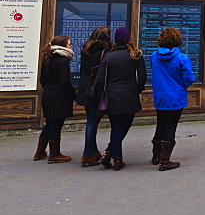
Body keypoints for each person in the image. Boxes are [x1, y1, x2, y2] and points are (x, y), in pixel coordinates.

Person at [95, 26, 146, 171]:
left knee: (116, 127)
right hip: (130, 94)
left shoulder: (109, 56)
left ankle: (112, 155)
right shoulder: (135, 55)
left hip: (112, 95)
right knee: (125, 125)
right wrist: (137, 89)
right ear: (128, 39)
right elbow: (142, 77)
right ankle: (115, 157)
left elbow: (100, 79)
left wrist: (102, 94)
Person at [150, 26, 195, 171]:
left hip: (160, 97)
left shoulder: (154, 57)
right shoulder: (182, 58)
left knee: (160, 124)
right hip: (176, 97)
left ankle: (156, 155)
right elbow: (188, 78)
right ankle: (165, 160)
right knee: (171, 126)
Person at [34, 34, 76, 163]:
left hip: (48, 94)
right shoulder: (63, 60)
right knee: (56, 124)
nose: (71, 46)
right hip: (59, 97)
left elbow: (42, 79)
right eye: (69, 44)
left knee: (50, 123)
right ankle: (54, 155)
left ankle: (39, 152)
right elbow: (64, 81)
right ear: (63, 46)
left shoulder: (48, 58)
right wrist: (73, 94)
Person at [76, 25, 111, 166]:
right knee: (92, 121)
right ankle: (87, 154)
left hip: (85, 89)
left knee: (91, 119)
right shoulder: (104, 51)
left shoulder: (86, 49)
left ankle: (93, 150)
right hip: (96, 90)